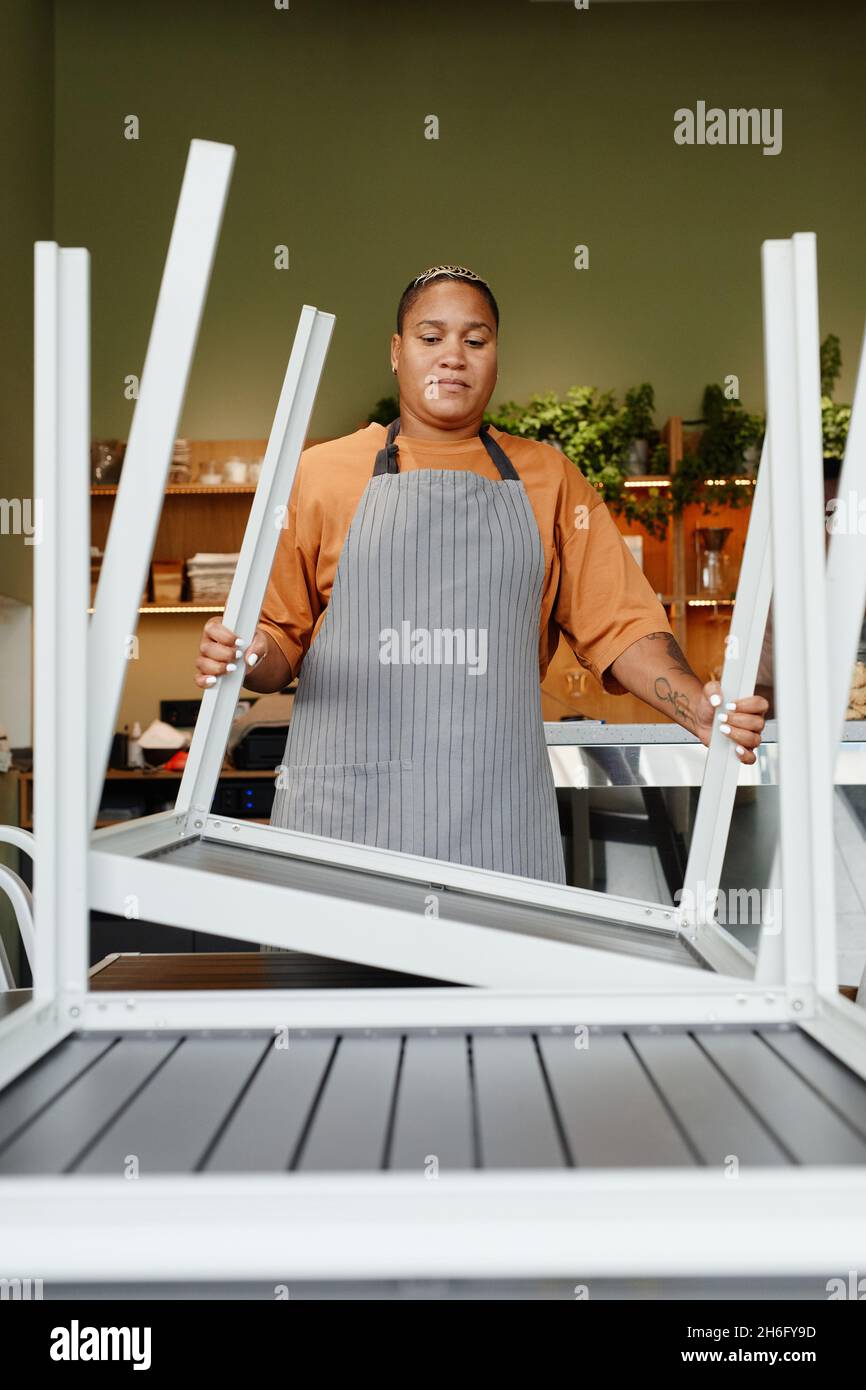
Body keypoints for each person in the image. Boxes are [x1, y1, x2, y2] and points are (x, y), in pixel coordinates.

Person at [195, 264, 768, 883]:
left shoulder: (549, 479)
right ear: (396, 351)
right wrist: (245, 654)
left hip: (496, 819)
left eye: (476, 340)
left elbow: (622, 628)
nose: (453, 358)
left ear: (496, 355)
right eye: (430, 337)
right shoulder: (322, 472)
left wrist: (695, 708)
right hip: (346, 822)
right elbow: (279, 640)